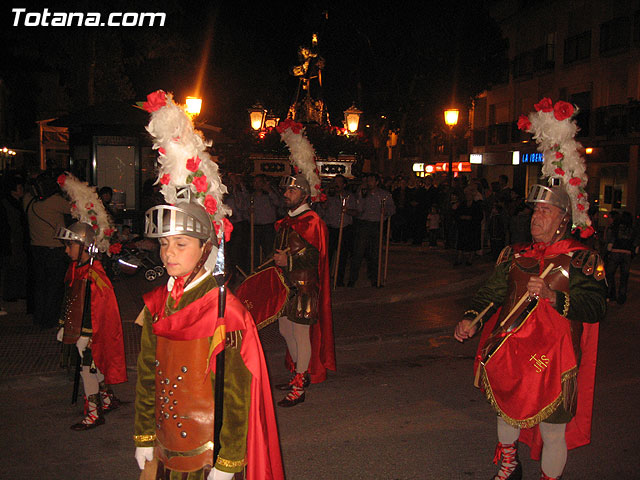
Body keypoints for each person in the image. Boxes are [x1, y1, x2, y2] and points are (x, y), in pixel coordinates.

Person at [134, 89, 283, 480]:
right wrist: (144, 436)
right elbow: (149, 374)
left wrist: (227, 462)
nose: (168, 253)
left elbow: (237, 397)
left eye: (180, 244)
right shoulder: (156, 304)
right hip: (164, 448)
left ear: (205, 248)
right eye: (164, 244)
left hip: (206, 453)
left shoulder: (226, 312)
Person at [454, 184, 606, 480]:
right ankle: (510, 466)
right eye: (535, 210)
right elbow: (492, 294)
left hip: (556, 360)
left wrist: (552, 296)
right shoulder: (515, 255)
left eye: (545, 211)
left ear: (563, 219)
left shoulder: (581, 260)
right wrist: (471, 319)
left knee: (552, 430)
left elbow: (596, 306)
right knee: (505, 412)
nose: (536, 217)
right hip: (512, 353)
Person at [55, 221, 127, 430]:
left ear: (85, 246)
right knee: (92, 368)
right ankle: (106, 398)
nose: (67, 250)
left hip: (91, 333)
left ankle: (94, 412)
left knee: (88, 370)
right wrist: (65, 325)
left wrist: (87, 333)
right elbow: (70, 299)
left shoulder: (94, 273)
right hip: (80, 330)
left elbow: (97, 307)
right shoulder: (76, 268)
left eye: (70, 246)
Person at [273, 174, 336, 407]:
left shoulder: (312, 221)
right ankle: (301, 372)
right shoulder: (290, 220)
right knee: (285, 330)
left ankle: (299, 386)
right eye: (286, 191)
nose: (286, 194)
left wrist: (287, 262)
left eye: (291, 191)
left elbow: (314, 257)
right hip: (287, 286)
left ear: (303, 194)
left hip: (304, 286)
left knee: (300, 335)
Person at [23, 172, 71, 328]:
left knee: (40, 285)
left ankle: (39, 318)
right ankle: (51, 319)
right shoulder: (55, 201)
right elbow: (73, 209)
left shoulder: (28, 200)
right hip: (54, 249)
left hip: (36, 249)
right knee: (54, 286)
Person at [348, 173, 395, 287]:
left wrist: (386, 212)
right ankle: (352, 279)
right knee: (358, 252)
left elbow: (392, 208)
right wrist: (362, 196)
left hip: (377, 225)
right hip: (363, 224)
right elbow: (358, 208)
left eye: (371, 180)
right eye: (368, 180)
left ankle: (375, 279)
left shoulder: (384, 195)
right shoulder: (362, 193)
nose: (369, 182)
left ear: (377, 182)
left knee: (375, 253)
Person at [319, 174, 357, 287]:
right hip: (330, 228)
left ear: (344, 184)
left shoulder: (349, 196)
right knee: (327, 255)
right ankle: (324, 279)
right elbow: (321, 211)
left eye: (339, 182)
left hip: (343, 228)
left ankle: (339, 279)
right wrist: (323, 205)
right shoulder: (328, 196)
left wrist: (347, 210)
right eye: (335, 181)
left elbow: (356, 212)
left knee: (342, 255)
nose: (336, 184)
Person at [605, 211, 639, 304]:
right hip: (627, 254)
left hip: (615, 252)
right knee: (624, 276)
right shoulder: (633, 230)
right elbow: (636, 245)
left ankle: (610, 294)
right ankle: (622, 297)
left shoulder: (616, 227)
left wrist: (608, 251)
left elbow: (611, 242)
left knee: (610, 274)